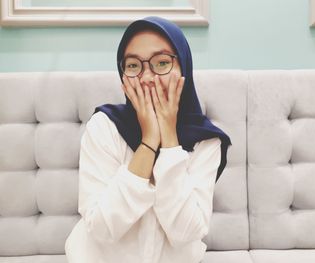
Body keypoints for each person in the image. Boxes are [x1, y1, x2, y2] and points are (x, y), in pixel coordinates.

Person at [65, 16, 232, 263]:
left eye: (162, 63)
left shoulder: (205, 141)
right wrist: (149, 141)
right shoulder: (104, 126)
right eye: (133, 66)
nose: (146, 77)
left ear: (183, 69)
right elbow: (102, 228)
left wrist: (170, 140)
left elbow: (185, 232)